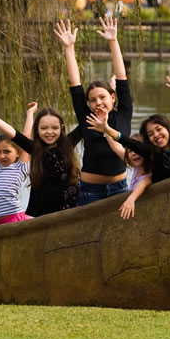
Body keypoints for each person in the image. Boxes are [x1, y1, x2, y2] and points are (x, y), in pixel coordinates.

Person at [54, 16, 132, 205]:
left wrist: (113, 41)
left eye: (102, 97)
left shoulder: (123, 113)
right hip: (90, 191)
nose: (98, 103)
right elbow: (75, 83)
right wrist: (68, 48)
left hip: (119, 188)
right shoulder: (87, 117)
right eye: (93, 100)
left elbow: (121, 77)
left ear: (112, 97)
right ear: (88, 104)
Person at [0, 102, 79, 217]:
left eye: (55, 128)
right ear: (37, 129)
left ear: (62, 128)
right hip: (43, 213)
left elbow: (85, 121)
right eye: (44, 128)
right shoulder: (35, 149)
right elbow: (13, 133)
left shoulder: (68, 144)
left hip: (69, 209)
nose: (49, 132)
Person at [0, 102, 38, 227]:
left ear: (18, 152)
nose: (1, 156)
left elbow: (26, 137)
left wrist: (30, 114)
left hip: (16, 219)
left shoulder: (19, 167)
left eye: (7, 152)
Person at [104, 133, 153, 220]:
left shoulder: (150, 172)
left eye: (136, 150)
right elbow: (117, 148)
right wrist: (105, 131)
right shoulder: (136, 167)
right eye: (130, 151)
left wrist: (131, 199)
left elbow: (145, 182)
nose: (133, 153)